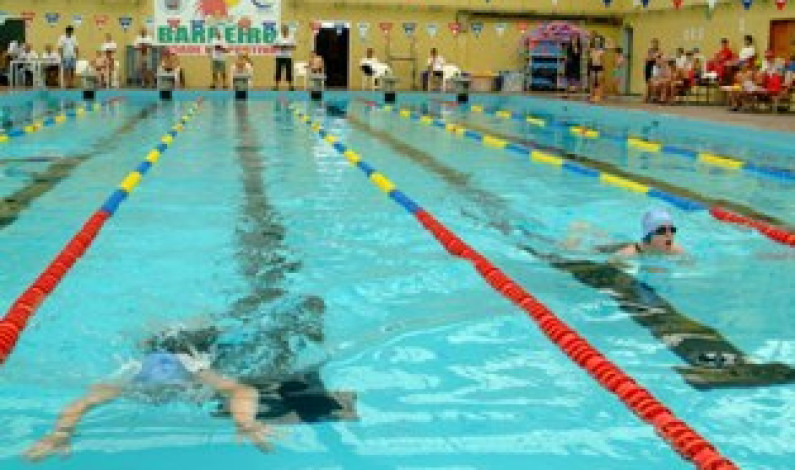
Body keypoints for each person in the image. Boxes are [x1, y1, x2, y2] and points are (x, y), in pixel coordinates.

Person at [23, 342, 275, 461]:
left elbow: (242, 390)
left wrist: (245, 423)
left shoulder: (195, 371)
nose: (164, 392)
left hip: (190, 352)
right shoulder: (128, 380)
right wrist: (60, 433)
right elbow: (82, 404)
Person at [613, 209, 685, 257]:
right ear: (648, 235)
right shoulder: (627, 254)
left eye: (672, 230)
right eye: (662, 230)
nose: (669, 234)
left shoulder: (675, 250)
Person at [273, 24, 295, 91]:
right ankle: (276, 86)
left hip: (288, 56)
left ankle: (290, 86)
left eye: (286, 29)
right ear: (282, 30)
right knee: (278, 71)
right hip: (279, 56)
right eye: (283, 29)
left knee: (289, 71)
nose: (284, 30)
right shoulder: (278, 37)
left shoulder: (291, 37)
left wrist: (287, 47)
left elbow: (294, 47)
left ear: (288, 30)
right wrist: (280, 47)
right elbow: (274, 46)